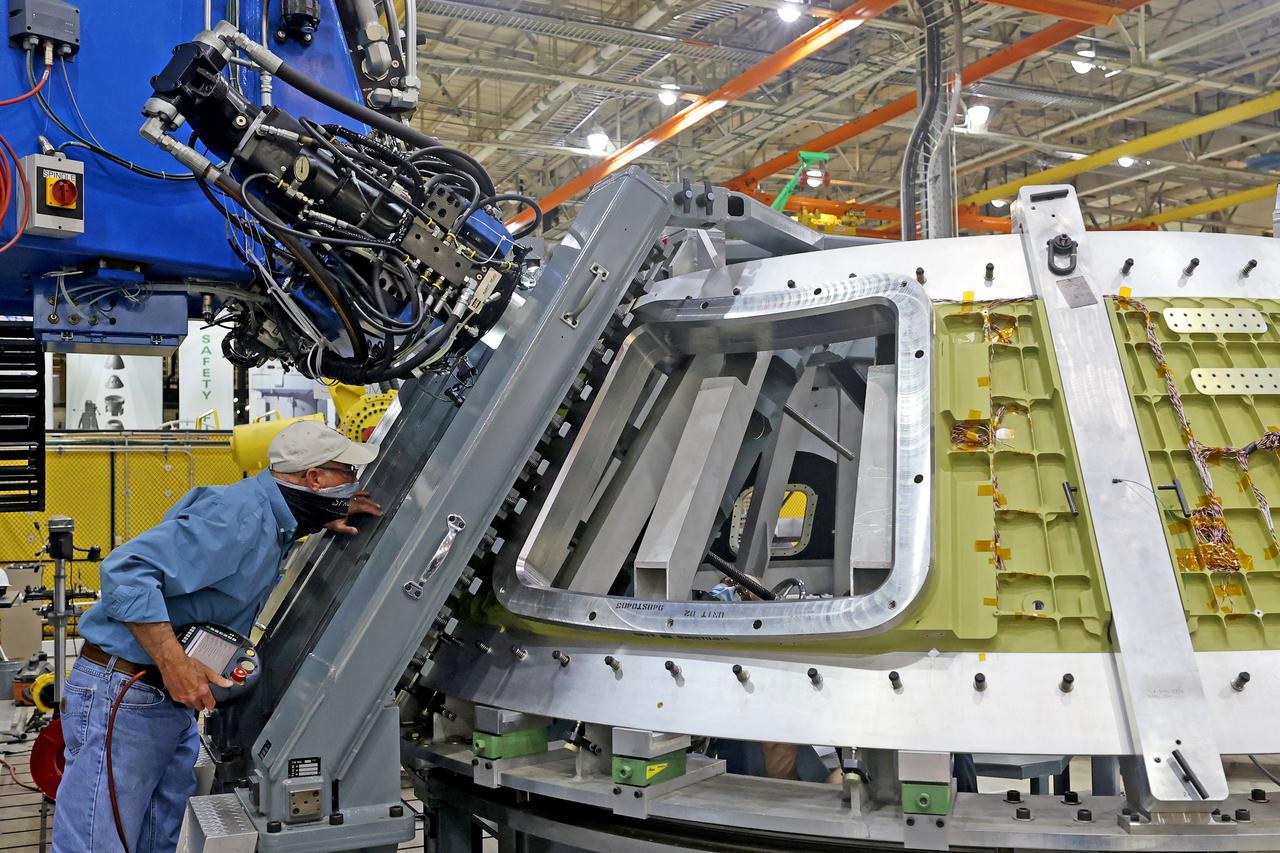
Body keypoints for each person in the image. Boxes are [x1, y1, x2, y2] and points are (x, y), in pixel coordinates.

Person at [52, 420, 382, 853]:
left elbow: (236, 560)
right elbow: (126, 571)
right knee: (97, 845)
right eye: (346, 475)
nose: (353, 485)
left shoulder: (269, 519)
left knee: (154, 839)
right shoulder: (236, 516)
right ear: (314, 479)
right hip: (127, 693)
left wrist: (317, 520)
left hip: (163, 702)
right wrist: (175, 664)